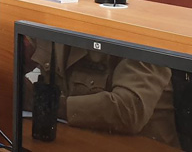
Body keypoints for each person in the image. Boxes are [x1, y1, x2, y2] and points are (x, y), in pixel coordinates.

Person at [24, 37, 180, 148]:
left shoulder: (143, 34)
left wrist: (46, 104)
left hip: (139, 145)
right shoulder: (58, 16)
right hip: (77, 141)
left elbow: (129, 109)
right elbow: (25, 50)